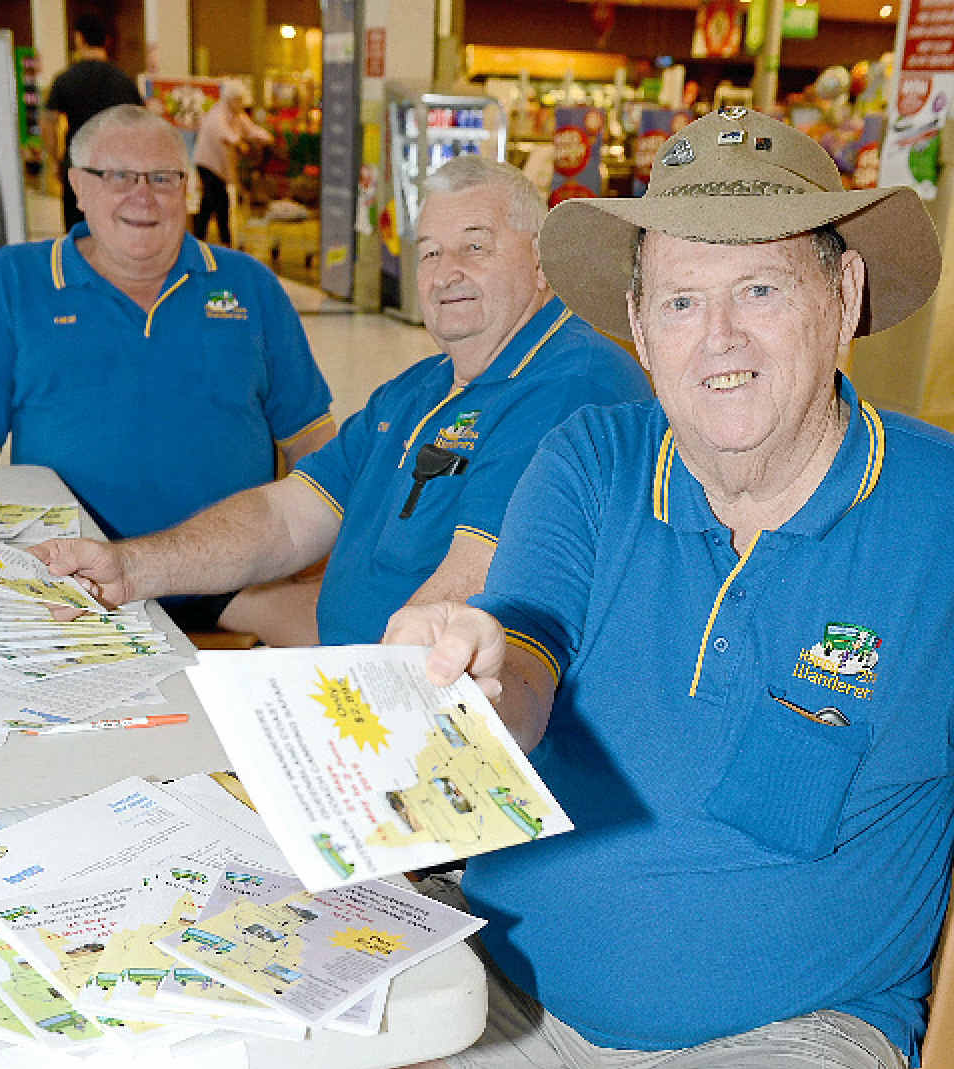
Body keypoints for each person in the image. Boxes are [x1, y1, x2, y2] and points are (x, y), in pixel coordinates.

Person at [384, 108, 951, 1069]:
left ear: (843, 293)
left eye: (761, 288)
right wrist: (475, 679)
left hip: (792, 1031)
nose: (718, 341)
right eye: (683, 302)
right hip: (507, 992)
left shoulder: (937, 515)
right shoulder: (591, 462)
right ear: (642, 326)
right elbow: (524, 661)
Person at [31, 155, 652, 646]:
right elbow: (285, 518)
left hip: (437, 725)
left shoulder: (571, 386)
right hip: (350, 675)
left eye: (476, 246)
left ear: (541, 263)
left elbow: (469, 588)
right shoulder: (419, 389)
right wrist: (132, 570)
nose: (446, 271)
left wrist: (340, 711)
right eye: (430, 251)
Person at [0, 104, 334, 633]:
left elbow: (317, 445)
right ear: (78, 185)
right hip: (75, 578)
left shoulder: (249, 286)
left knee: (374, 652)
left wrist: (325, 566)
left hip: (233, 579)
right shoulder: (14, 281)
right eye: (118, 175)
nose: (142, 196)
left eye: (163, 178)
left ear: (187, 188)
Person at [41, 13, 143, 232]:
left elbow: (48, 121)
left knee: (78, 234)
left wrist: (55, 159)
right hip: (116, 167)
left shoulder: (65, 78)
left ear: (79, 39)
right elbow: (140, 123)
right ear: (106, 41)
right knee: (115, 229)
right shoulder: (123, 81)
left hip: (78, 164)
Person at [192, 81, 272, 247]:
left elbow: (251, 129)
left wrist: (266, 136)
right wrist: (240, 143)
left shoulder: (238, 115)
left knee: (209, 203)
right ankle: (224, 240)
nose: (241, 104)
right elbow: (225, 134)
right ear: (230, 99)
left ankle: (200, 238)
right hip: (208, 163)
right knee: (219, 201)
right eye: (239, 100)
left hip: (220, 166)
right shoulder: (217, 114)